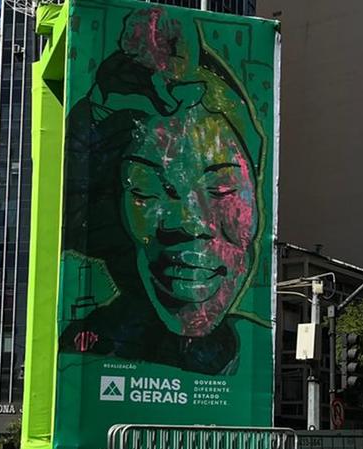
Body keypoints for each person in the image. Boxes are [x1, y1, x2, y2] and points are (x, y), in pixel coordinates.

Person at [58, 7, 271, 375]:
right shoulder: (82, 356)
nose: (189, 222)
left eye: (221, 187)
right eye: (146, 189)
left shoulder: (258, 357)